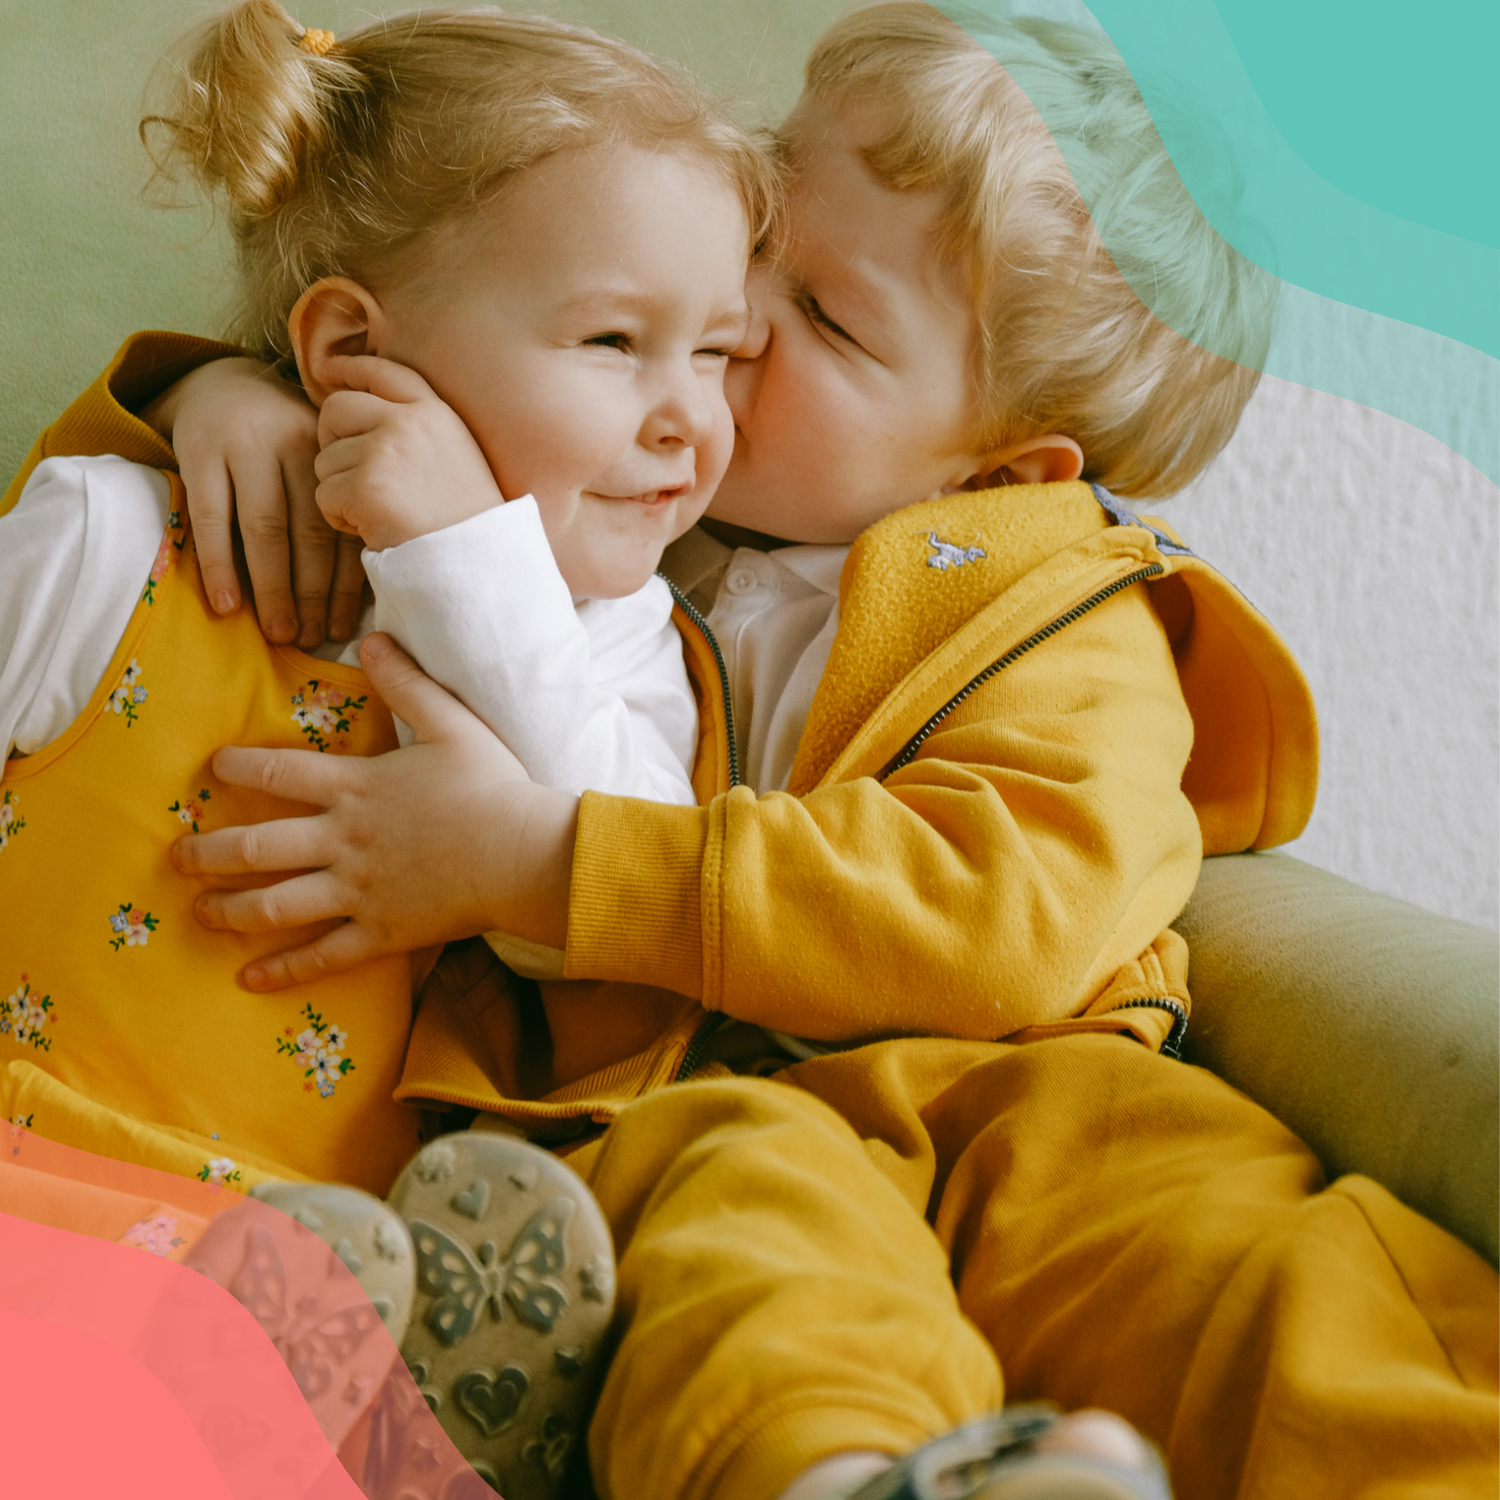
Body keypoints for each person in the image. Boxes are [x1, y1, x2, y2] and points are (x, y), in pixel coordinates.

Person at [7, 6, 1495, 1500]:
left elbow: (1003, 915)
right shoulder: (633, 515)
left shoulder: (1060, 611)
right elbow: (445, 384)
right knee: (755, 1276)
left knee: (1262, 1280)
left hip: (1024, 1102)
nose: (736, 311)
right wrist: (236, 390)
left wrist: (545, 862)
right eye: (770, 215)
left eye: (831, 319)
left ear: (997, 472)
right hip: (708, 1125)